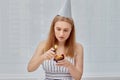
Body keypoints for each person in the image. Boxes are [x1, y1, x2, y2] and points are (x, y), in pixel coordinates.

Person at [27, 0, 83, 80]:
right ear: (53, 28)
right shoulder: (43, 45)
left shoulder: (78, 48)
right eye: (58, 29)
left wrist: (69, 65)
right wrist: (43, 57)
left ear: (71, 31)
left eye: (65, 30)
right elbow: (30, 68)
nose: (61, 34)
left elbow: (78, 77)